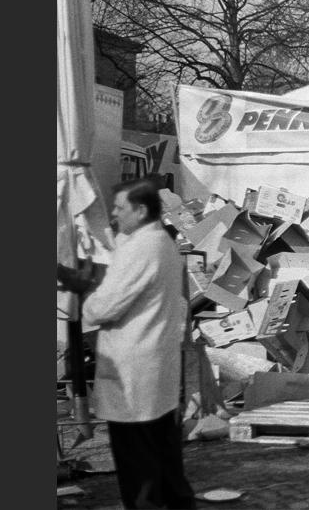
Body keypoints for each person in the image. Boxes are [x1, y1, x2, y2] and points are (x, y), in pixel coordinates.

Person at [58, 178, 195, 509]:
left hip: (136, 369)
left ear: (141, 210)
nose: (115, 215)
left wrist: (84, 295)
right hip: (153, 363)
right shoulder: (158, 241)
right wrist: (91, 278)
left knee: (139, 462)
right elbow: (131, 288)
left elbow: (106, 306)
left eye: (120, 208)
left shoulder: (141, 247)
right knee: (163, 452)